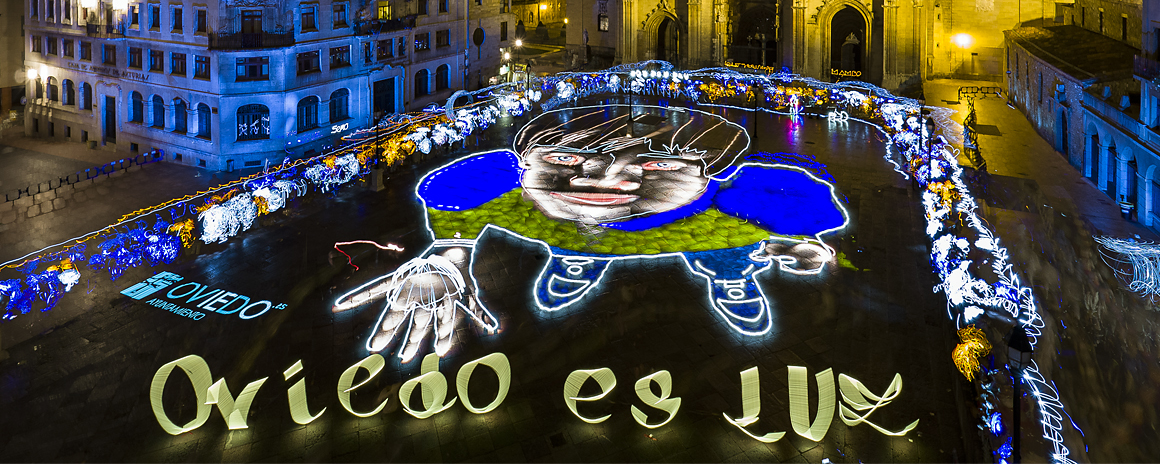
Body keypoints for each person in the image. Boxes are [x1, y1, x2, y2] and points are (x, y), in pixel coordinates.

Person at [334, 105, 847, 362]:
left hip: (705, 239)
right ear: (524, 167)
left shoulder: (736, 208)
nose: (601, 180)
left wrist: (785, 242)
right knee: (578, 239)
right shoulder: (503, 194)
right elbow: (458, 205)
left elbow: (779, 218)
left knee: (725, 254)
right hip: (575, 234)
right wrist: (447, 257)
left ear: (708, 177)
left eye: (658, 164)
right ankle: (577, 259)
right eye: (564, 159)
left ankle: (730, 277)